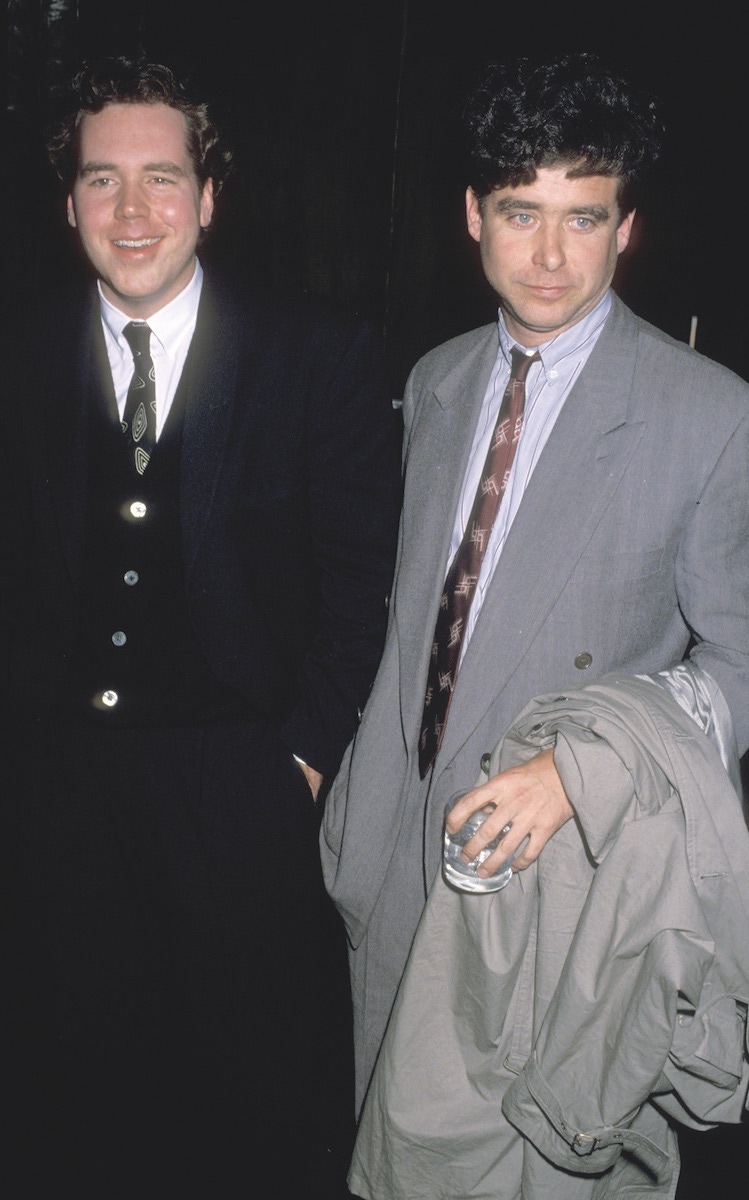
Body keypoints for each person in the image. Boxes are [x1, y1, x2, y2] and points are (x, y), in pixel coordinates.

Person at [320, 50, 749, 1191]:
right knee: (395, 1161)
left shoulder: (713, 419)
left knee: (545, 1167)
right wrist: (340, 779)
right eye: (520, 213)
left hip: (558, 888)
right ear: (473, 217)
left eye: (581, 219)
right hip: (395, 860)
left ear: (623, 229)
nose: (547, 254)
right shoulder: (434, 384)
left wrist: (578, 772)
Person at [0, 55, 400, 1199]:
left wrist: (305, 757)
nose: (132, 213)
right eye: (101, 181)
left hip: (243, 784)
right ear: (66, 198)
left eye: (162, 179)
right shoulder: (16, 354)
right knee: (75, 1090)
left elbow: (363, 578)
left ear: (209, 197)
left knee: (250, 1098)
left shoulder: (314, 357)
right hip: (56, 788)